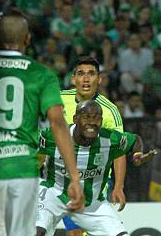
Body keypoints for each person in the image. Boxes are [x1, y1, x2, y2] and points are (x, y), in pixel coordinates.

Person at [0, 10, 84, 236]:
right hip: (23, 175)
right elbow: (58, 125)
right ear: (28, 39)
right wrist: (74, 177)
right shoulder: (41, 74)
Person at [36, 100, 156, 236]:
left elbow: (134, 139)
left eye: (96, 118)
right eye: (86, 117)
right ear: (75, 119)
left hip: (91, 204)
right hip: (54, 195)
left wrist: (137, 153)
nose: (92, 122)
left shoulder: (110, 139)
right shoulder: (54, 136)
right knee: (36, 231)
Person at [58, 56, 126, 236]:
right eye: (81, 74)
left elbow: (119, 150)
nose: (86, 79)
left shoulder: (110, 111)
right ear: (73, 79)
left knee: (78, 232)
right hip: (59, 178)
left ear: (100, 79)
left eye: (91, 74)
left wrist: (118, 186)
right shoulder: (58, 100)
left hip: (94, 180)